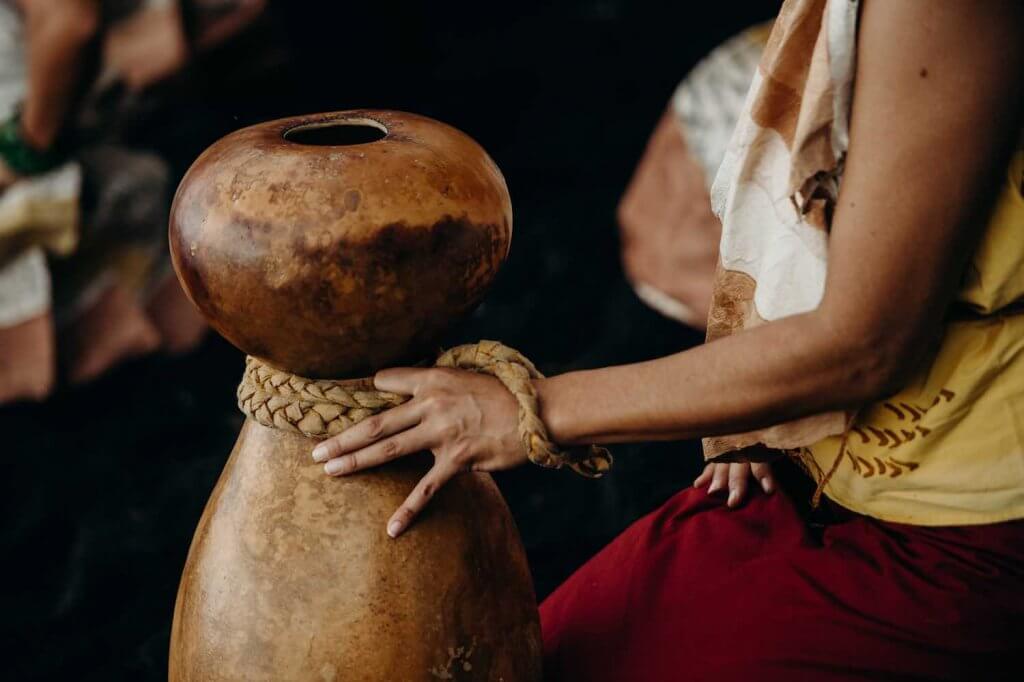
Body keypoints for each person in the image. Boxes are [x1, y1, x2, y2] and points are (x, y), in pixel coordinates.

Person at [309, 0, 1024, 678]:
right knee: (540, 654)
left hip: (959, 537)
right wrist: (756, 419)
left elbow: (864, 346)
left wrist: (531, 410)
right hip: (814, 466)